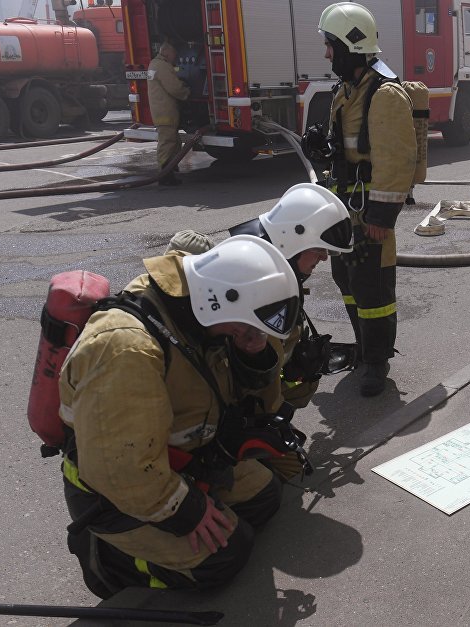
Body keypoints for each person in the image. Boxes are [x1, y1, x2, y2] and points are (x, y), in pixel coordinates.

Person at [59, 235, 301, 596]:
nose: (247, 334)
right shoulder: (126, 349)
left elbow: (237, 398)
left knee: (265, 496)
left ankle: (185, 527)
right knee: (226, 555)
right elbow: (121, 470)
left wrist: (252, 353)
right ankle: (112, 561)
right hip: (114, 492)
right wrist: (187, 510)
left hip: (180, 460)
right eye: (244, 327)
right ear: (224, 303)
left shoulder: (197, 316)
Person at [312, 2, 418, 396]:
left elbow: (398, 158)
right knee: (348, 279)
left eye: (330, 45)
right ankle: (362, 348)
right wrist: (322, 149)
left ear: (350, 45)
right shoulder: (348, 91)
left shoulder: (385, 94)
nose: (326, 54)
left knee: (372, 288)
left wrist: (382, 215)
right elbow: (349, 149)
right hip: (345, 211)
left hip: (369, 214)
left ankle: (377, 362)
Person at [228, 183, 354, 408]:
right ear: (292, 241)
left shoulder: (273, 271)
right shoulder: (259, 289)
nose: (324, 258)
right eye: (319, 249)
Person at [148, 41, 190, 186]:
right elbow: (174, 88)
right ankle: (165, 174)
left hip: (160, 110)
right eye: (174, 54)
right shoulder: (163, 66)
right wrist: (187, 92)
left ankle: (170, 168)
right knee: (167, 142)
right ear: (166, 52)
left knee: (174, 141)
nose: (175, 57)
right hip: (165, 111)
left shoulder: (154, 64)